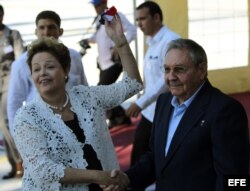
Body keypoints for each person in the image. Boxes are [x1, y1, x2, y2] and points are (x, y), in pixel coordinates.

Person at [12, 13, 142, 191]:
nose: (42, 73)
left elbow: (132, 85)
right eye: (36, 69)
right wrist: (99, 176)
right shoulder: (26, 118)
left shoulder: (86, 97)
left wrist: (120, 41)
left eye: (49, 67)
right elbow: (44, 171)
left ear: (65, 70)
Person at [105, 38, 249, 191]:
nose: (171, 77)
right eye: (167, 69)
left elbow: (234, 179)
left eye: (179, 69)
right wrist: (127, 178)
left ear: (201, 70)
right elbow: (156, 157)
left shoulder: (225, 111)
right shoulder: (164, 102)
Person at [7, 10, 88, 136]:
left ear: (60, 31)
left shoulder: (74, 56)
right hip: (42, 128)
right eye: (42, 28)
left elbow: (85, 90)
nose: (46, 32)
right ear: (36, 32)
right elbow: (14, 102)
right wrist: (18, 136)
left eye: (51, 27)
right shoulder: (21, 63)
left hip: (77, 123)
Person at [126, 1, 180, 166]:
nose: (139, 24)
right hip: (151, 110)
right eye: (137, 20)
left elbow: (166, 79)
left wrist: (141, 102)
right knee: (143, 152)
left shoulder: (171, 41)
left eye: (142, 19)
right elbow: (151, 79)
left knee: (155, 153)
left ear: (156, 17)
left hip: (167, 109)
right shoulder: (152, 42)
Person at [86, 0, 137, 128]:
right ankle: (118, 117)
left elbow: (132, 31)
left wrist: (118, 46)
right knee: (106, 91)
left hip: (113, 62)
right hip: (103, 63)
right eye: (94, 5)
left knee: (100, 91)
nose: (96, 8)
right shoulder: (100, 18)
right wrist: (87, 40)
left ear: (105, 3)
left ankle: (117, 115)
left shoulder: (112, 14)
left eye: (98, 5)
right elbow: (100, 37)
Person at [0, 4, 25, 179]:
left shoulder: (12, 35)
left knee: (6, 120)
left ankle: (20, 161)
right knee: (2, 125)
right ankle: (14, 163)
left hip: (10, 79)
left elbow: (20, 58)